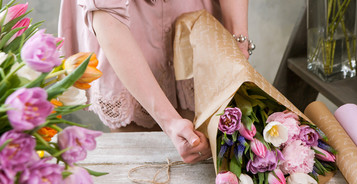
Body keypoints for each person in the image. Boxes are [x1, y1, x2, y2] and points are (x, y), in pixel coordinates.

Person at [59, 0, 250, 164]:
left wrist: (237, 39)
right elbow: (109, 19)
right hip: (126, 32)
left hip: (194, 19)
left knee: (206, 161)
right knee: (144, 165)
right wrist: (171, 122)